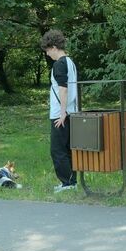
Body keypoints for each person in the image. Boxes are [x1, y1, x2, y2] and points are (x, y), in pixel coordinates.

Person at [40, 29, 78, 192]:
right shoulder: (70, 62)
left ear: (54, 47)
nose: (48, 54)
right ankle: (72, 181)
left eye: (48, 51)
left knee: (57, 150)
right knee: (68, 148)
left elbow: (63, 89)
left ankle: (67, 183)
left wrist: (62, 113)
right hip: (72, 111)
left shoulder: (59, 64)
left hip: (61, 114)